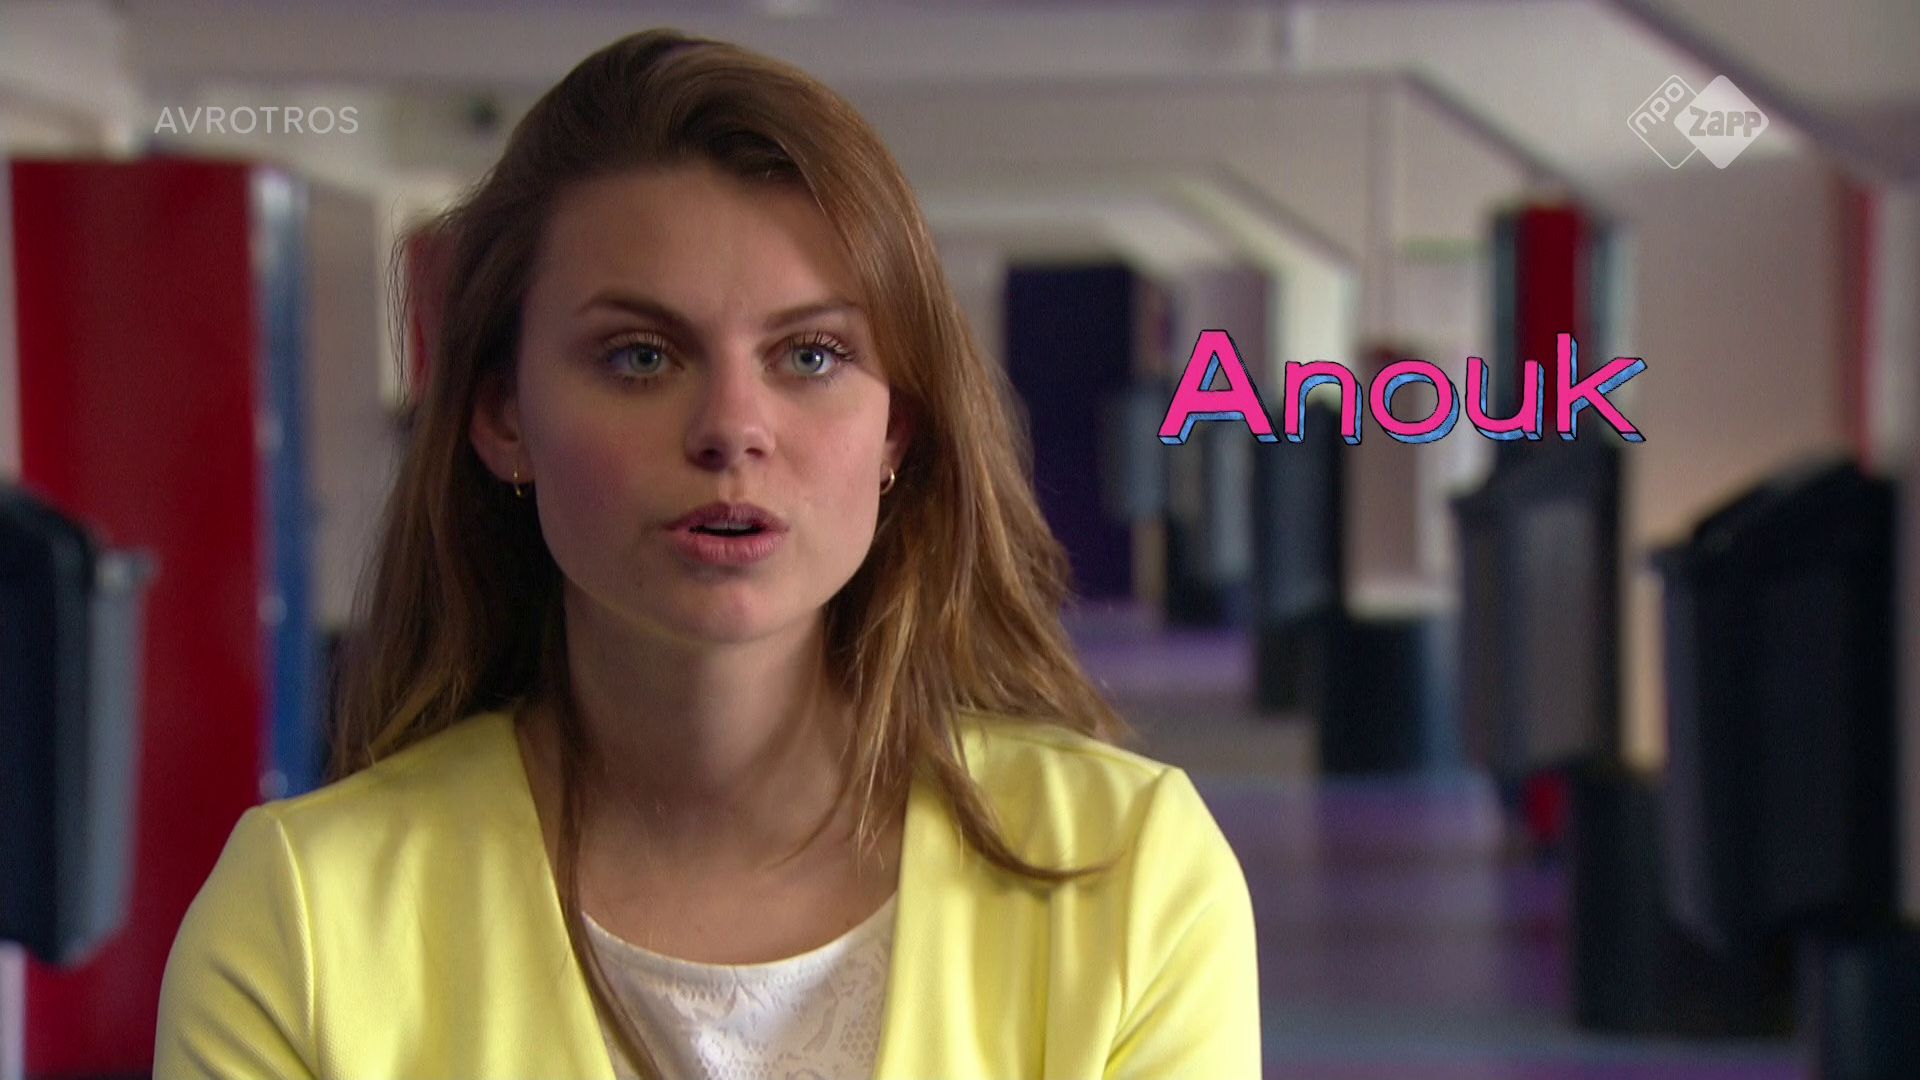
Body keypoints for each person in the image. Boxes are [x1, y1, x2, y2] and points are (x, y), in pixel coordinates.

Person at [155, 27, 1260, 1080]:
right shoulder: (304, 920)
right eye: (640, 356)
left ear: (898, 431)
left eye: (811, 354)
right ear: (502, 417)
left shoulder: (1126, 874)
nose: (732, 428)